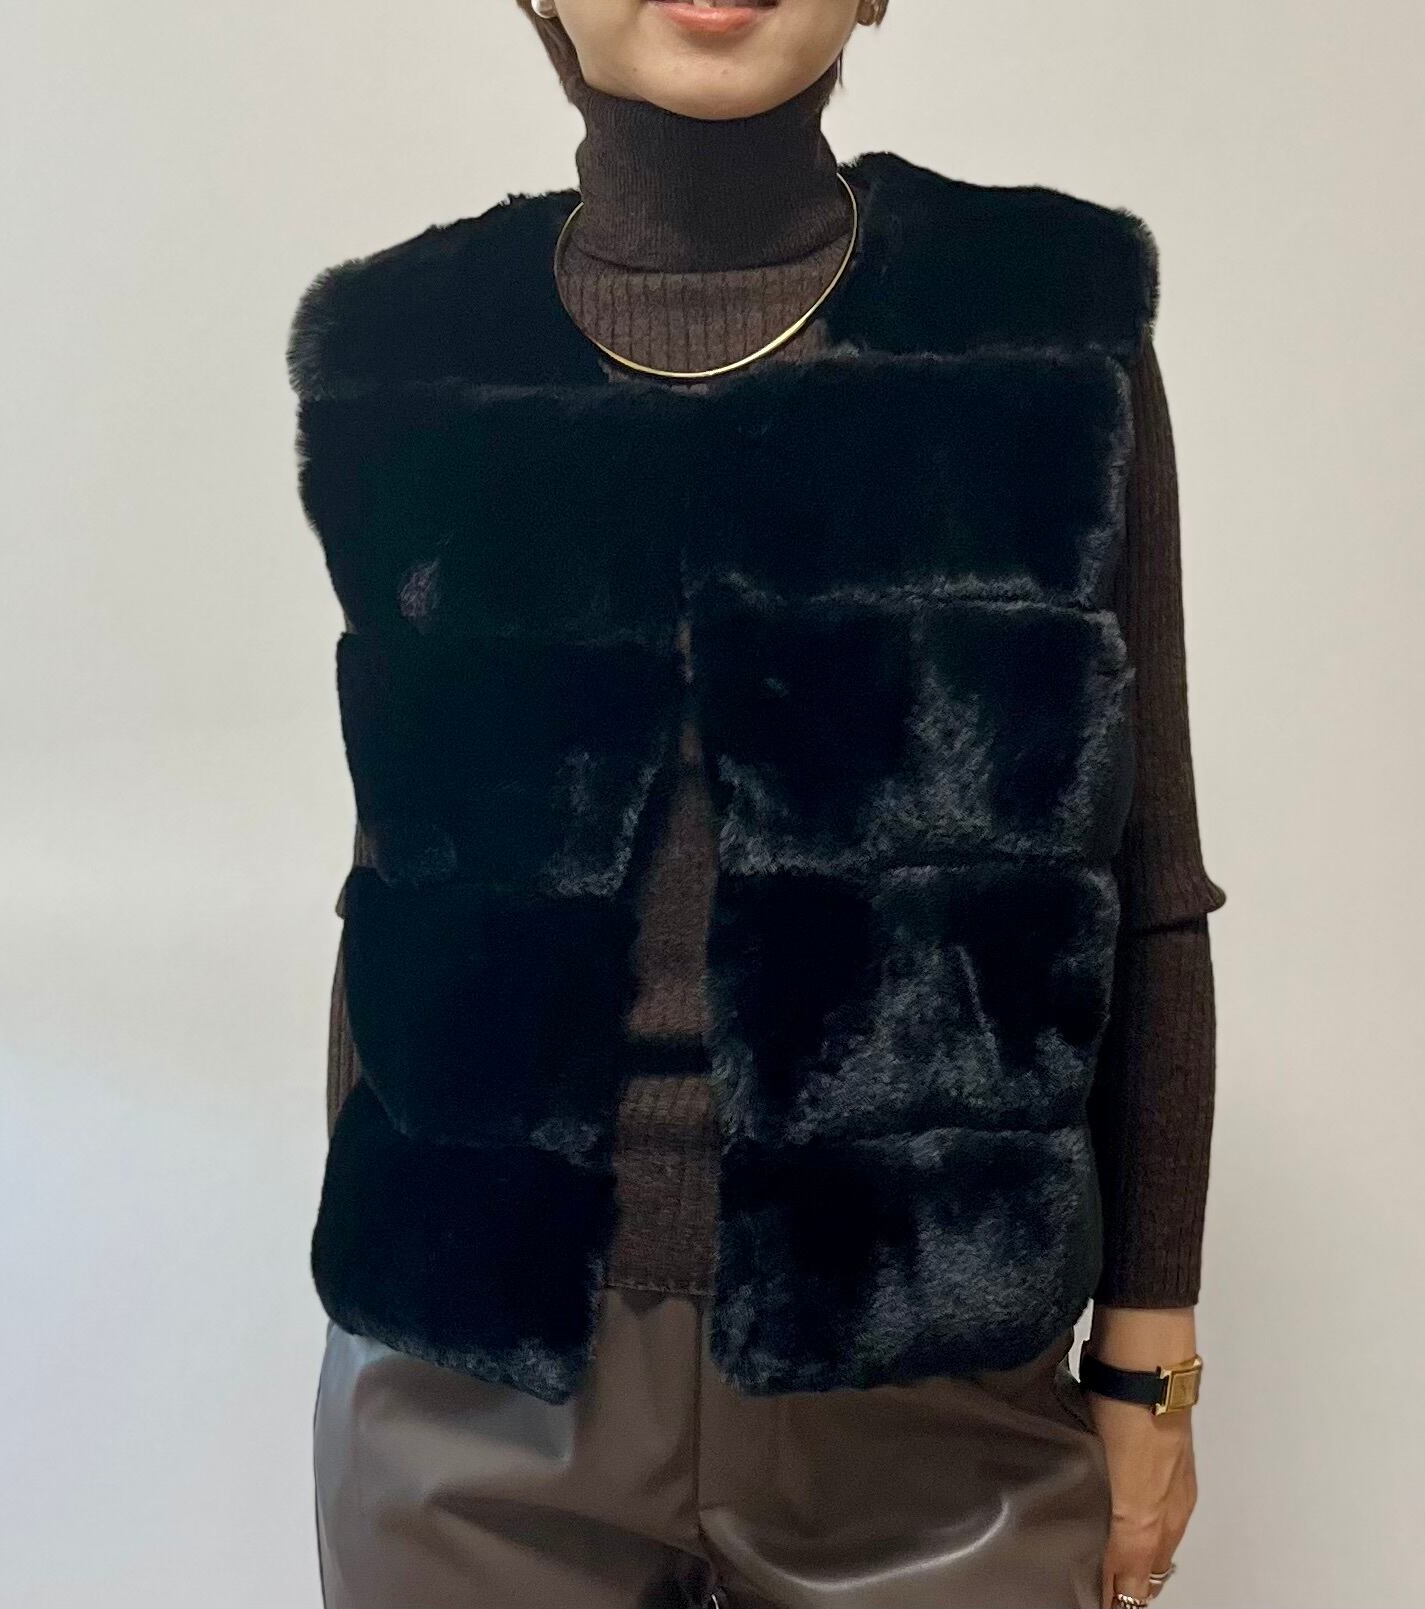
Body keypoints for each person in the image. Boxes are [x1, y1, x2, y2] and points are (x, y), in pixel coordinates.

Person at [290, 3, 1227, 1606]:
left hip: (929, 1381)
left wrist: (1149, 1360)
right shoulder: (403, 349)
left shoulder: (1037, 326)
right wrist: (390, 1291)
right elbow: (403, 876)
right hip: (469, 1387)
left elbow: (1150, 876)